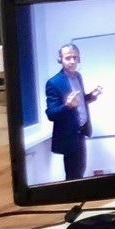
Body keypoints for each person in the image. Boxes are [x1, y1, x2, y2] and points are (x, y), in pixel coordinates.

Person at [44, 43, 103, 181]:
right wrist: (67, 106)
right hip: (68, 137)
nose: (72, 61)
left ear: (79, 59)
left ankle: (78, 192)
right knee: (73, 175)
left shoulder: (78, 76)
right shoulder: (54, 83)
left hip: (81, 132)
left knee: (81, 169)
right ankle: (72, 194)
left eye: (74, 57)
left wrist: (91, 96)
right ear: (60, 59)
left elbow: (79, 102)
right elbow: (51, 114)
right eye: (67, 58)